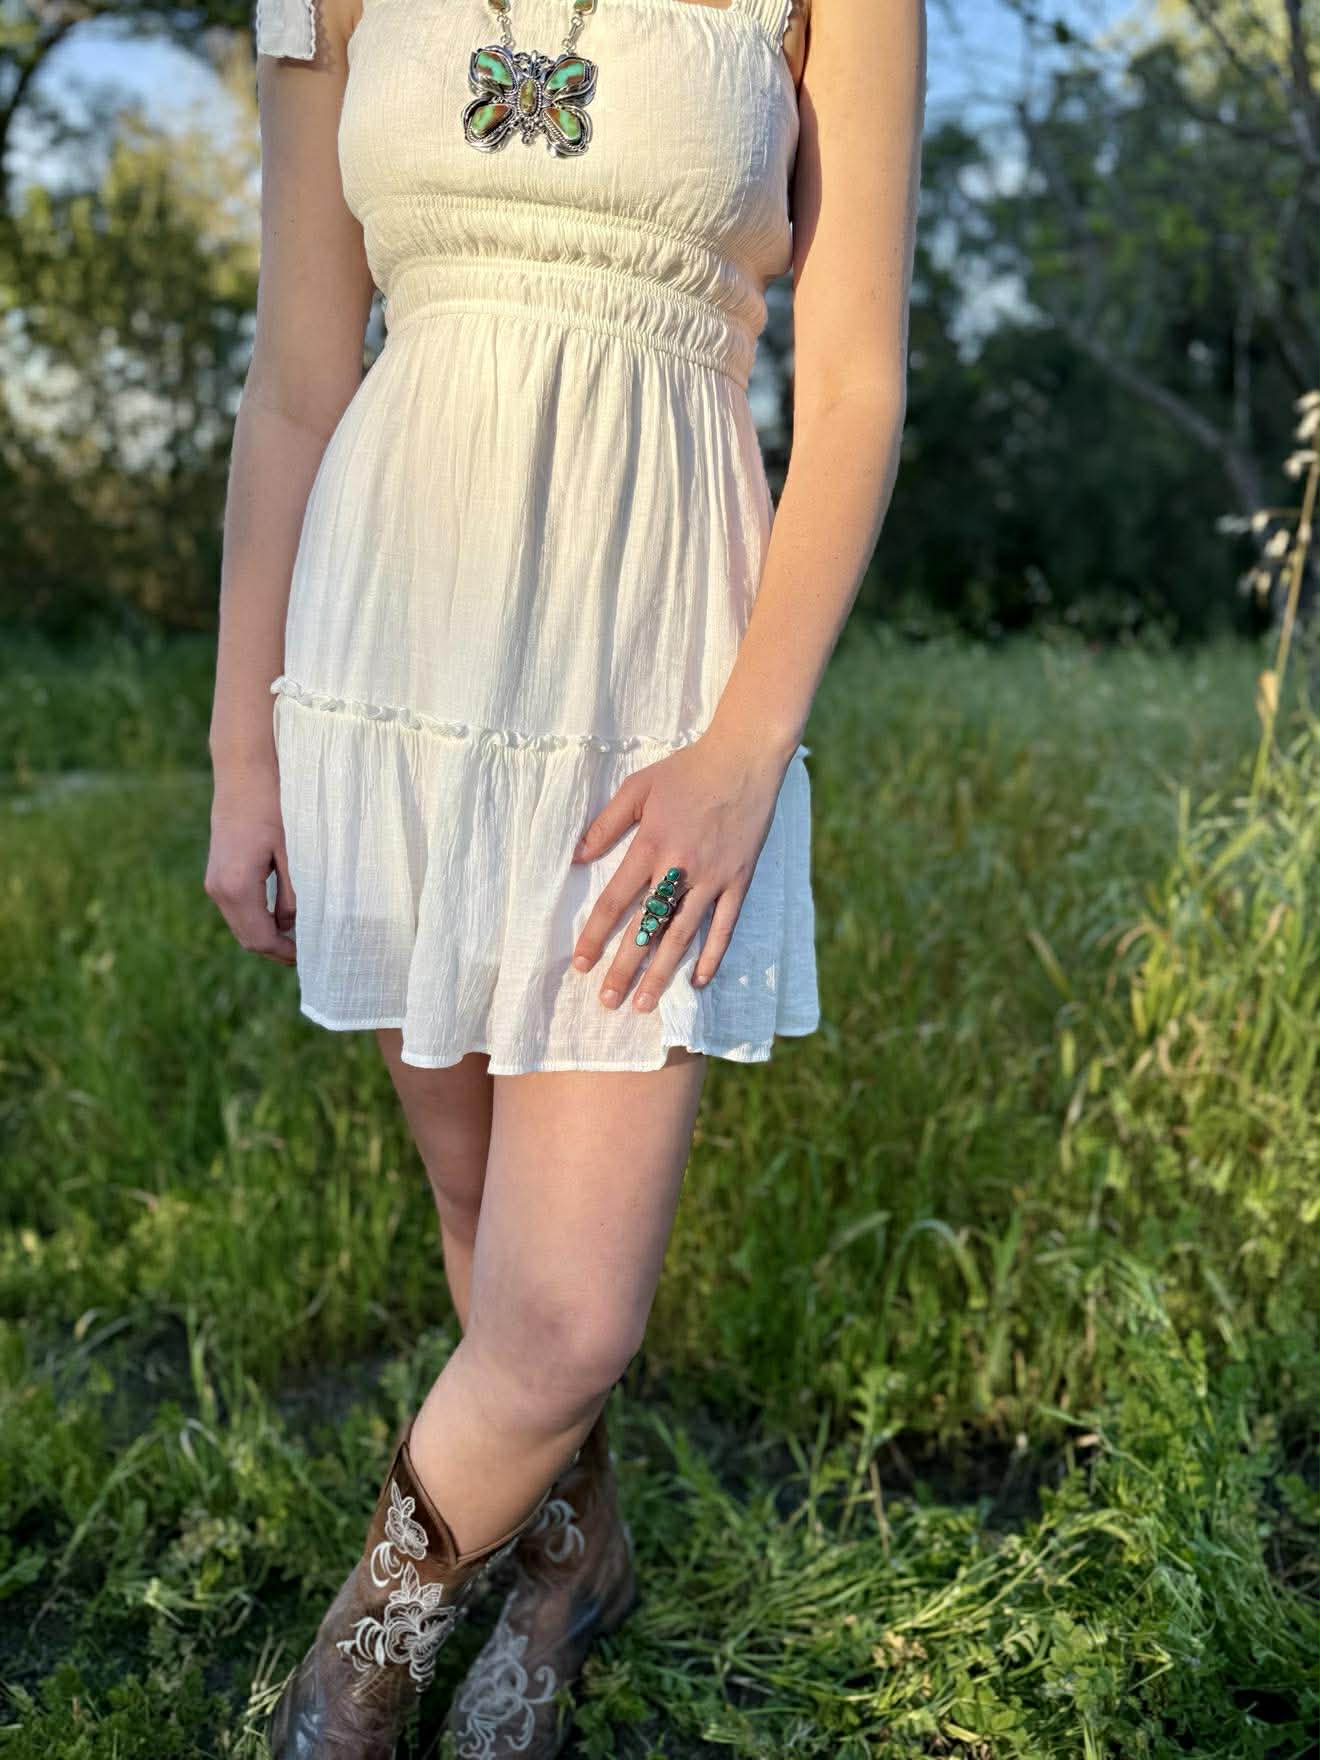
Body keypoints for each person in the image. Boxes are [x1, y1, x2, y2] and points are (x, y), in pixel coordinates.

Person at [205, 0, 925, 1750]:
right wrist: (246, 748)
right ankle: (565, 1555)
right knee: (477, 1210)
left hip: (651, 697)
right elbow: (301, 381)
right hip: (392, 666)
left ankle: (346, 1688)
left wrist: (745, 749)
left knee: (566, 1307)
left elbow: (852, 388)